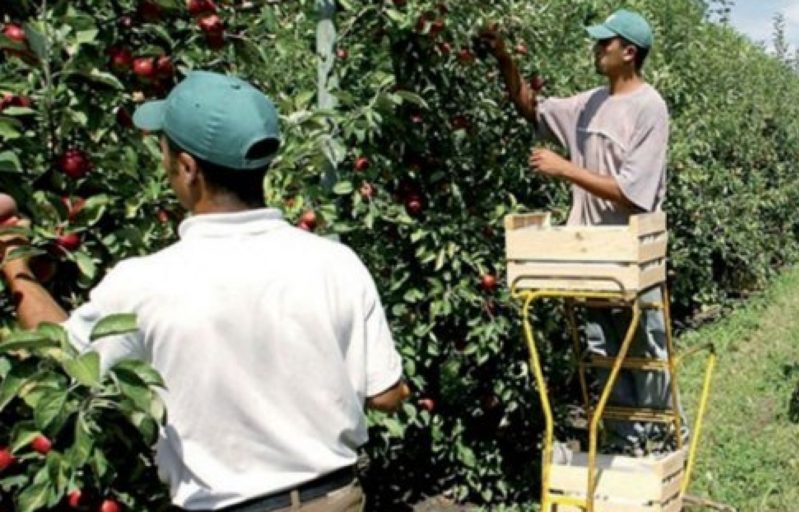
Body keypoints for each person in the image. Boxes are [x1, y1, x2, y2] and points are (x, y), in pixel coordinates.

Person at [0, 71, 409, 511]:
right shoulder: (335, 262)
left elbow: (62, 357)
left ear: (188, 168)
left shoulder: (144, 283)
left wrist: (14, 261)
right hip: (336, 500)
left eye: (164, 150)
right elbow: (387, 395)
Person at [480, 9, 672, 453]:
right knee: (603, 349)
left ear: (629, 52)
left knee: (643, 350)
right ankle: (624, 443)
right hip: (588, 254)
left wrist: (565, 168)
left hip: (632, 254)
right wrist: (503, 58)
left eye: (606, 43)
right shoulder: (587, 102)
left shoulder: (649, 108)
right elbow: (530, 106)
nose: (597, 48)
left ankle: (659, 442)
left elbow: (634, 193)